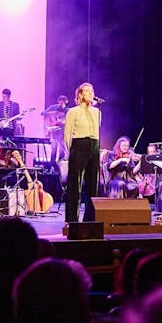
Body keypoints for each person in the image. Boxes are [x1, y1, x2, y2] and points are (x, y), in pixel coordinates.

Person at [63, 82, 101, 223]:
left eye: (92, 91)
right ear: (80, 95)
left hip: (94, 145)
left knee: (93, 184)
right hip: (79, 145)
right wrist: (71, 151)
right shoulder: (73, 111)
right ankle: (72, 219)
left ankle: (89, 219)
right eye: (87, 91)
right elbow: (67, 135)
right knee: (75, 185)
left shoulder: (97, 112)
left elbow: (97, 132)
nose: (90, 93)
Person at [43, 95, 70, 163]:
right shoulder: (53, 108)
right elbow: (44, 113)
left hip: (63, 132)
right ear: (58, 101)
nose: (61, 103)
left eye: (63, 102)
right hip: (54, 132)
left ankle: (60, 164)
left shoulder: (68, 110)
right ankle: (52, 164)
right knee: (54, 149)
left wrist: (64, 122)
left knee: (62, 150)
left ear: (66, 102)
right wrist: (50, 116)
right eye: (60, 102)